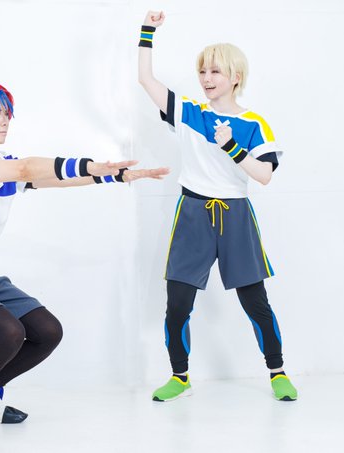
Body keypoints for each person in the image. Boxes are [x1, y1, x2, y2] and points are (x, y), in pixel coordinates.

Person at [0, 80, 169, 438]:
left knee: (47, 331)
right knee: (8, 333)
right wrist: (89, 164)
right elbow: (25, 171)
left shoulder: (2, 163)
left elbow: (51, 180)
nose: (5, 120)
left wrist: (112, 175)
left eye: (7, 113)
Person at [137, 11, 297, 402]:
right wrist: (147, 31)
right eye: (202, 71)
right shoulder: (190, 112)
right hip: (192, 213)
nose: (206, 79)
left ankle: (277, 371)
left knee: (255, 302)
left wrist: (232, 147)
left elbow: (264, 175)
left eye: (215, 72)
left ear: (235, 77)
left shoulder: (254, 123)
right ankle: (180, 377)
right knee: (177, 305)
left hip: (235, 215)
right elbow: (146, 79)